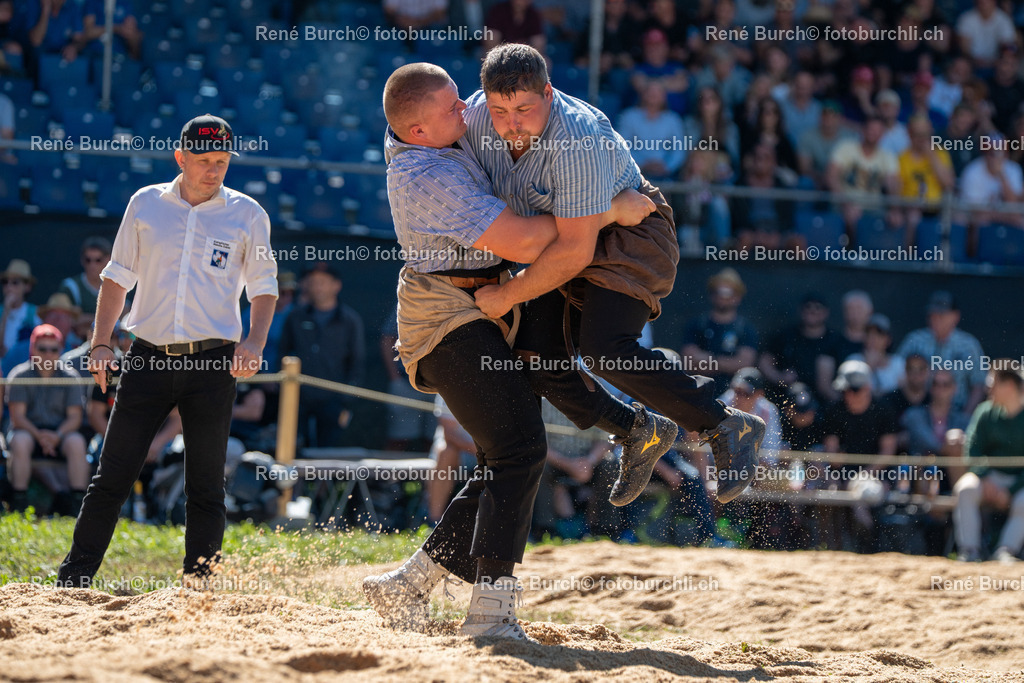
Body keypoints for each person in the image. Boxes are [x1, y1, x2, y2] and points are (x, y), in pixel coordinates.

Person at [362, 62, 667, 642]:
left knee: (508, 453)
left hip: (481, 302)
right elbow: (528, 241)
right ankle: (492, 611)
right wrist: (606, 210)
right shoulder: (428, 173)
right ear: (419, 130)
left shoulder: (432, 132)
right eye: (455, 108)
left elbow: (514, 117)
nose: (468, 111)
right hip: (445, 312)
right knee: (521, 447)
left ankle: (408, 585)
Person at [464, 43, 765, 503]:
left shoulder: (578, 137)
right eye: (500, 110)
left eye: (524, 108)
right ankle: (636, 431)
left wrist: (507, 296)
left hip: (631, 232)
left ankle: (726, 424)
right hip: (566, 232)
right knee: (536, 359)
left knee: (604, 348)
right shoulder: (477, 115)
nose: (512, 124)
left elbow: (573, 252)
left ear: (548, 93)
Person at [56, 114, 279, 588]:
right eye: (204, 161)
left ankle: (199, 588)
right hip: (147, 355)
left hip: (214, 361)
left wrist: (255, 341)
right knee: (111, 475)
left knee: (205, 484)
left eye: (222, 161)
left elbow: (264, 288)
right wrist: (100, 342)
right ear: (180, 157)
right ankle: (73, 581)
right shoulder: (145, 204)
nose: (214, 170)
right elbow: (116, 278)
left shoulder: (248, 214)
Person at [278, 263, 365, 448]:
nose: (317, 287)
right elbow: (282, 352)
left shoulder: (350, 320)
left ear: (336, 285)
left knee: (329, 452)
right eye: (313, 282)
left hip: (334, 400)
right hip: (297, 397)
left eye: (323, 282)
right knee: (293, 450)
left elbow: (357, 362)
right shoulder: (295, 316)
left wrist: (346, 400)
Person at [5, 324, 89, 514]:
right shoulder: (19, 375)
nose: (48, 354)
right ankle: (19, 500)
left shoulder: (71, 377)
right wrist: (40, 436)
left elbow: (75, 418)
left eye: (54, 349)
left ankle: (77, 503)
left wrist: (56, 436)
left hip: (60, 433)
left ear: (60, 350)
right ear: (32, 349)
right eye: (42, 349)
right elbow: (17, 418)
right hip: (27, 430)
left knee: (77, 442)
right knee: (20, 441)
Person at [953, 366, 1024, 562]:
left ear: (1009, 385)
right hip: (988, 479)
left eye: (992, 385)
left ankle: (1005, 552)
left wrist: (1010, 491)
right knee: (965, 489)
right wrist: (984, 478)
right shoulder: (984, 411)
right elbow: (971, 451)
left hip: (1019, 484)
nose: (988, 389)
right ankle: (969, 551)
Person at [897, 291, 986, 415]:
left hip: (956, 411)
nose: (936, 318)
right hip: (919, 411)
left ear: (955, 316)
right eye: (932, 314)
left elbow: (979, 385)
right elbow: (896, 375)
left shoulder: (969, 345)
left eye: (942, 314)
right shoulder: (914, 341)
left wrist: (965, 418)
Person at [681, 268, 758, 397]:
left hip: (733, 397)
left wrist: (709, 360)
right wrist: (726, 363)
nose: (723, 297)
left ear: (737, 297)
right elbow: (688, 359)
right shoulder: (698, 324)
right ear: (712, 294)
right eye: (719, 292)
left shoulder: (745, 329)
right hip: (699, 393)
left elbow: (745, 364)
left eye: (728, 292)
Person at [616, 81, 686, 181]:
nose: (653, 94)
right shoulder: (629, 116)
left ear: (664, 96)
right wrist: (642, 165)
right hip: (634, 173)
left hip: (666, 175)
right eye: (650, 91)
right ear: (643, 94)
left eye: (658, 91)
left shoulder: (673, 120)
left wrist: (666, 167)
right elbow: (622, 146)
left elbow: (679, 149)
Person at [846, 313, 904, 398]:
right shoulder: (853, 360)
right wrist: (868, 367)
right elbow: (852, 393)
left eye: (879, 335)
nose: (873, 339)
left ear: (888, 340)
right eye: (869, 334)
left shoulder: (898, 363)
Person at [57, 237, 111, 326]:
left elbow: (124, 316)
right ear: (82, 260)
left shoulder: (116, 286)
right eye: (88, 260)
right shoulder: (70, 287)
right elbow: (64, 320)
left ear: (108, 260)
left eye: (98, 260)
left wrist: (86, 319)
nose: (92, 265)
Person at [0, 259, 40, 360]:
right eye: (5, 282)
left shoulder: (35, 314)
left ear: (27, 287)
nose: (9, 287)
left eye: (15, 282)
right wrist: (6, 312)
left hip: (24, 372)